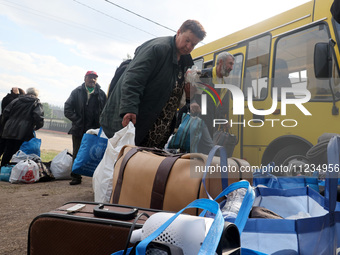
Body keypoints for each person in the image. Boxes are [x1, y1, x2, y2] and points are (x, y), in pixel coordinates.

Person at [100, 20, 206, 149]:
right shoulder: (158, 48)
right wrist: (129, 109)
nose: (189, 47)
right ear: (179, 32)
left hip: (158, 132)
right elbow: (133, 79)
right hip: (138, 125)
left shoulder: (184, 62)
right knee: (123, 165)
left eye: (193, 44)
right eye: (187, 40)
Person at [64, 71, 107, 185]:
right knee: (77, 153)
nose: (92, 80)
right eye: (90, 77)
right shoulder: (76, 92)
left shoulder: (101, 94)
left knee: (96, 154)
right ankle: (76, 177)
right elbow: (67, 108)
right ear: (85, 78)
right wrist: (77, 120)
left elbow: (106, 110)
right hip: (79, 128)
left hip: (95, 130)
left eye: (94, 78)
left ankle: (96, 178)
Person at [0, 87, 44, 167]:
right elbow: (38, 116)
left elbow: (5, 113)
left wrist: (5, 125)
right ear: (36, 95)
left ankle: (3, 168)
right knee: (20, 151)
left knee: (8, 150)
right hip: (24, 131)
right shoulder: (36, 103)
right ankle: (15, 169)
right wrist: (37, 126)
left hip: (9, 129)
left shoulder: (16, 100)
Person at [197, 51, 235, 137]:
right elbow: (189, 93)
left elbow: (216, 107)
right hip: (198, 123)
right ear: (221, 62)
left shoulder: (223, 85)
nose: (232, 68)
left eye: (232, 65)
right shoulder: (204, 75)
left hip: (211, 126)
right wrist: (193, 103)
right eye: (230, 64)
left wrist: (223, 120)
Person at [0, 87, 26, 159]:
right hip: (7, 127)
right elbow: (15, 104)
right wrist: (17, 95)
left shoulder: (6, 98)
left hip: (4, 125)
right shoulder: (11, 100)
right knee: (4, 147)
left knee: (2, 146)